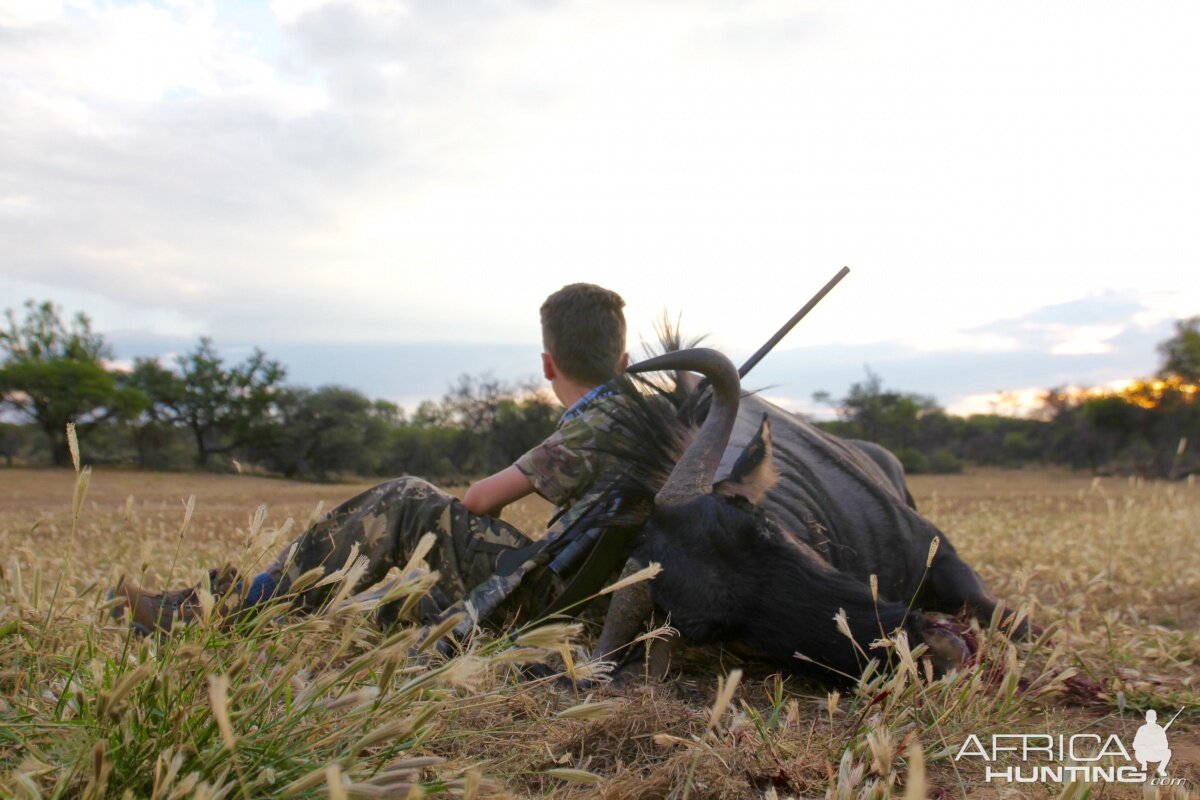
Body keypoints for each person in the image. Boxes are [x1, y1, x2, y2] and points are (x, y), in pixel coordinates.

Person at [110, 283, 632, 637]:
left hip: (566, 600)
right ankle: (274, 613)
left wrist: (457, 537)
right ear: (623, 362)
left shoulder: (600, 421)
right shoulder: (649, 418)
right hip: (602, 599)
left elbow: (480, 498)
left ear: (547, 364)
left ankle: (233, 607)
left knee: (406, 499)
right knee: (396, 604)